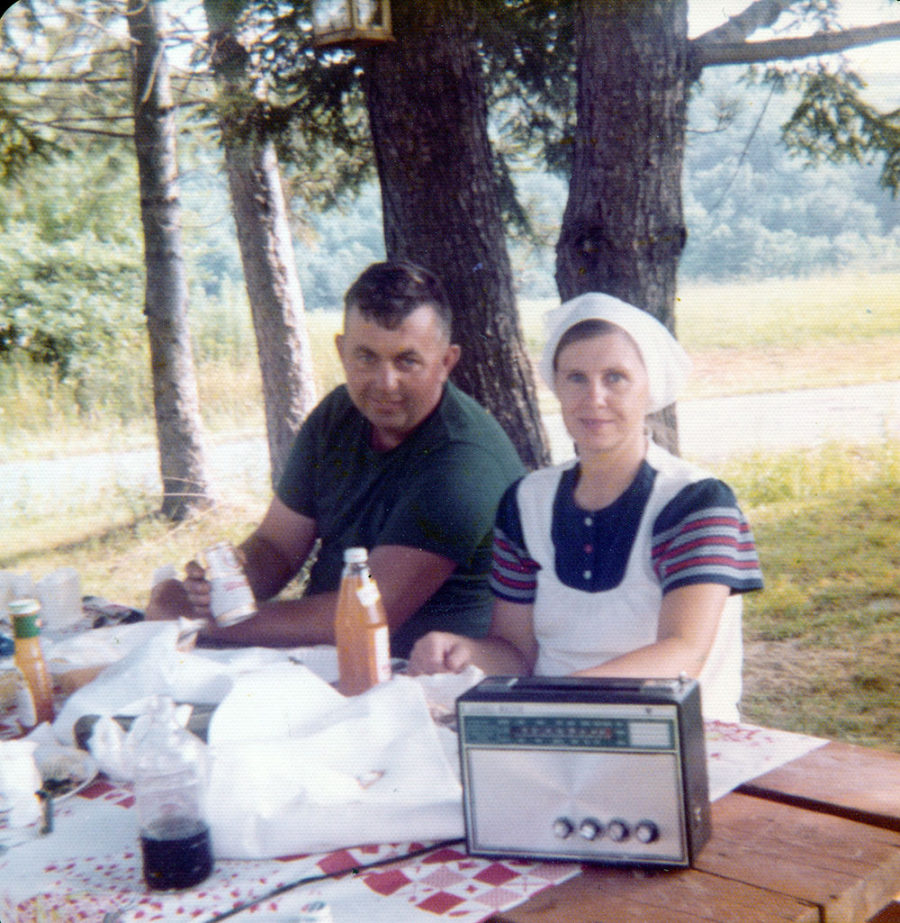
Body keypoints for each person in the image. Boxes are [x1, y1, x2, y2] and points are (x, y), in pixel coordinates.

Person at [407, 292, 763, 721]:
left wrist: (557, 701)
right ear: (556, 385)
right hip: (554, 727)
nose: (594, 397)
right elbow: (515, 651)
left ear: (649, 388)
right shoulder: (526, 502)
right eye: (576, 377)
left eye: (615, 377)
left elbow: (683, 653)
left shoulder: (696, 503)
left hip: (675, 733)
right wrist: (466, 651)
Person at [148, 260, 525, 658]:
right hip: (318, 658)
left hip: (415, 675)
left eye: (407, 361)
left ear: (446, 362)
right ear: (341, 351)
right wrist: (223, 586)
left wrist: (205, 622)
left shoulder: (463, 462)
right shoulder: (338, 415)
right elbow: (275, 548)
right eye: (366, 357)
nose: (385, 383)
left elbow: (371, 611)